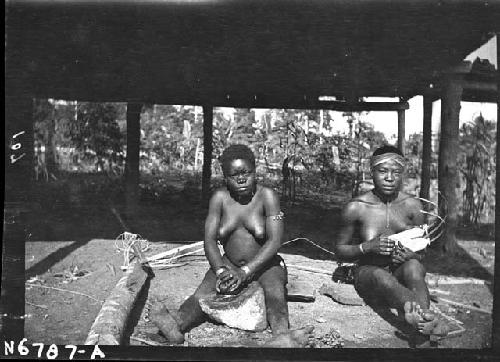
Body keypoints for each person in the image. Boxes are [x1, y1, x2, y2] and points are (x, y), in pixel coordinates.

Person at [150, 144, 313, 347]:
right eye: (234, 175)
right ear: (225, 177)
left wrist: (245, 272)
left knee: (274, 292)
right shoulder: (219, 199)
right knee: (201, 294)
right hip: (229, 263)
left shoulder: (267, 197)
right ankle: (177, 325)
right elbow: (209, 240)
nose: (242, 179)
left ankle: (282, 335)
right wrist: (220, 270)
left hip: (265, 264)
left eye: (246, 173)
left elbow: (274, 242)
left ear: (255, 172)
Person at [334, 145, 449, 341]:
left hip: (400, 272)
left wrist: (411, 255)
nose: (389, 177)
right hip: (368, 273)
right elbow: (339, 250)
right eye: (382, 171)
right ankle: (425, 317)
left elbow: (422, 254)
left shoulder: (413, 206)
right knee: (380, 275)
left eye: (395, 172)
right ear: (372, 172)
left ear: (402, 174)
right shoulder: (356, 207)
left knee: (413, 267)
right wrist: (366, 247)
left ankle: (419, 321)